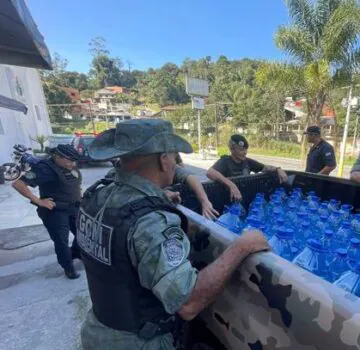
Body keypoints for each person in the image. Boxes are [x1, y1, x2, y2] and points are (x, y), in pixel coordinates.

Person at [78, 119, 269, 349]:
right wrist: (242, 246)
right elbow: (188, 303)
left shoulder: (97, 195)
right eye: (173, 155)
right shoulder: (150, 222)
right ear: (164, 159)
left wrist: (158, 197)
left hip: (97, 332)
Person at [11, 144, 82, 279]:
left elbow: (75, 183)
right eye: (69, 160)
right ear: (56, 156)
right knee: (61, 241)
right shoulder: (44, 168)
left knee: (83, 234)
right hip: (55, 211)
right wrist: (38, 201)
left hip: (74, 207)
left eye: (74, 161)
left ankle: (76, 253)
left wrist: (80, 196)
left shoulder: (70, 165)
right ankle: (68, 266)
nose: (73, 164)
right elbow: (18, 184)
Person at [106, 153, 219, 220]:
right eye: (174, 158)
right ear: (163, 160)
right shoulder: (151, 219)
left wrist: (205, 201)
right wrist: (237, 246)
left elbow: (189, 176)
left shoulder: (100, 191)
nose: (176, 165)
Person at [207, 134, 288, 201]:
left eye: (246, 149)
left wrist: (278, 169)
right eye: (241, 149)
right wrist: (231, 185)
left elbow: (265, 168)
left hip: (244, 198)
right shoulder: (225, 161)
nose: (245, 152)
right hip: (230, 201)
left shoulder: (247, 162)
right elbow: (210, 172)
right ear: (232, 149)